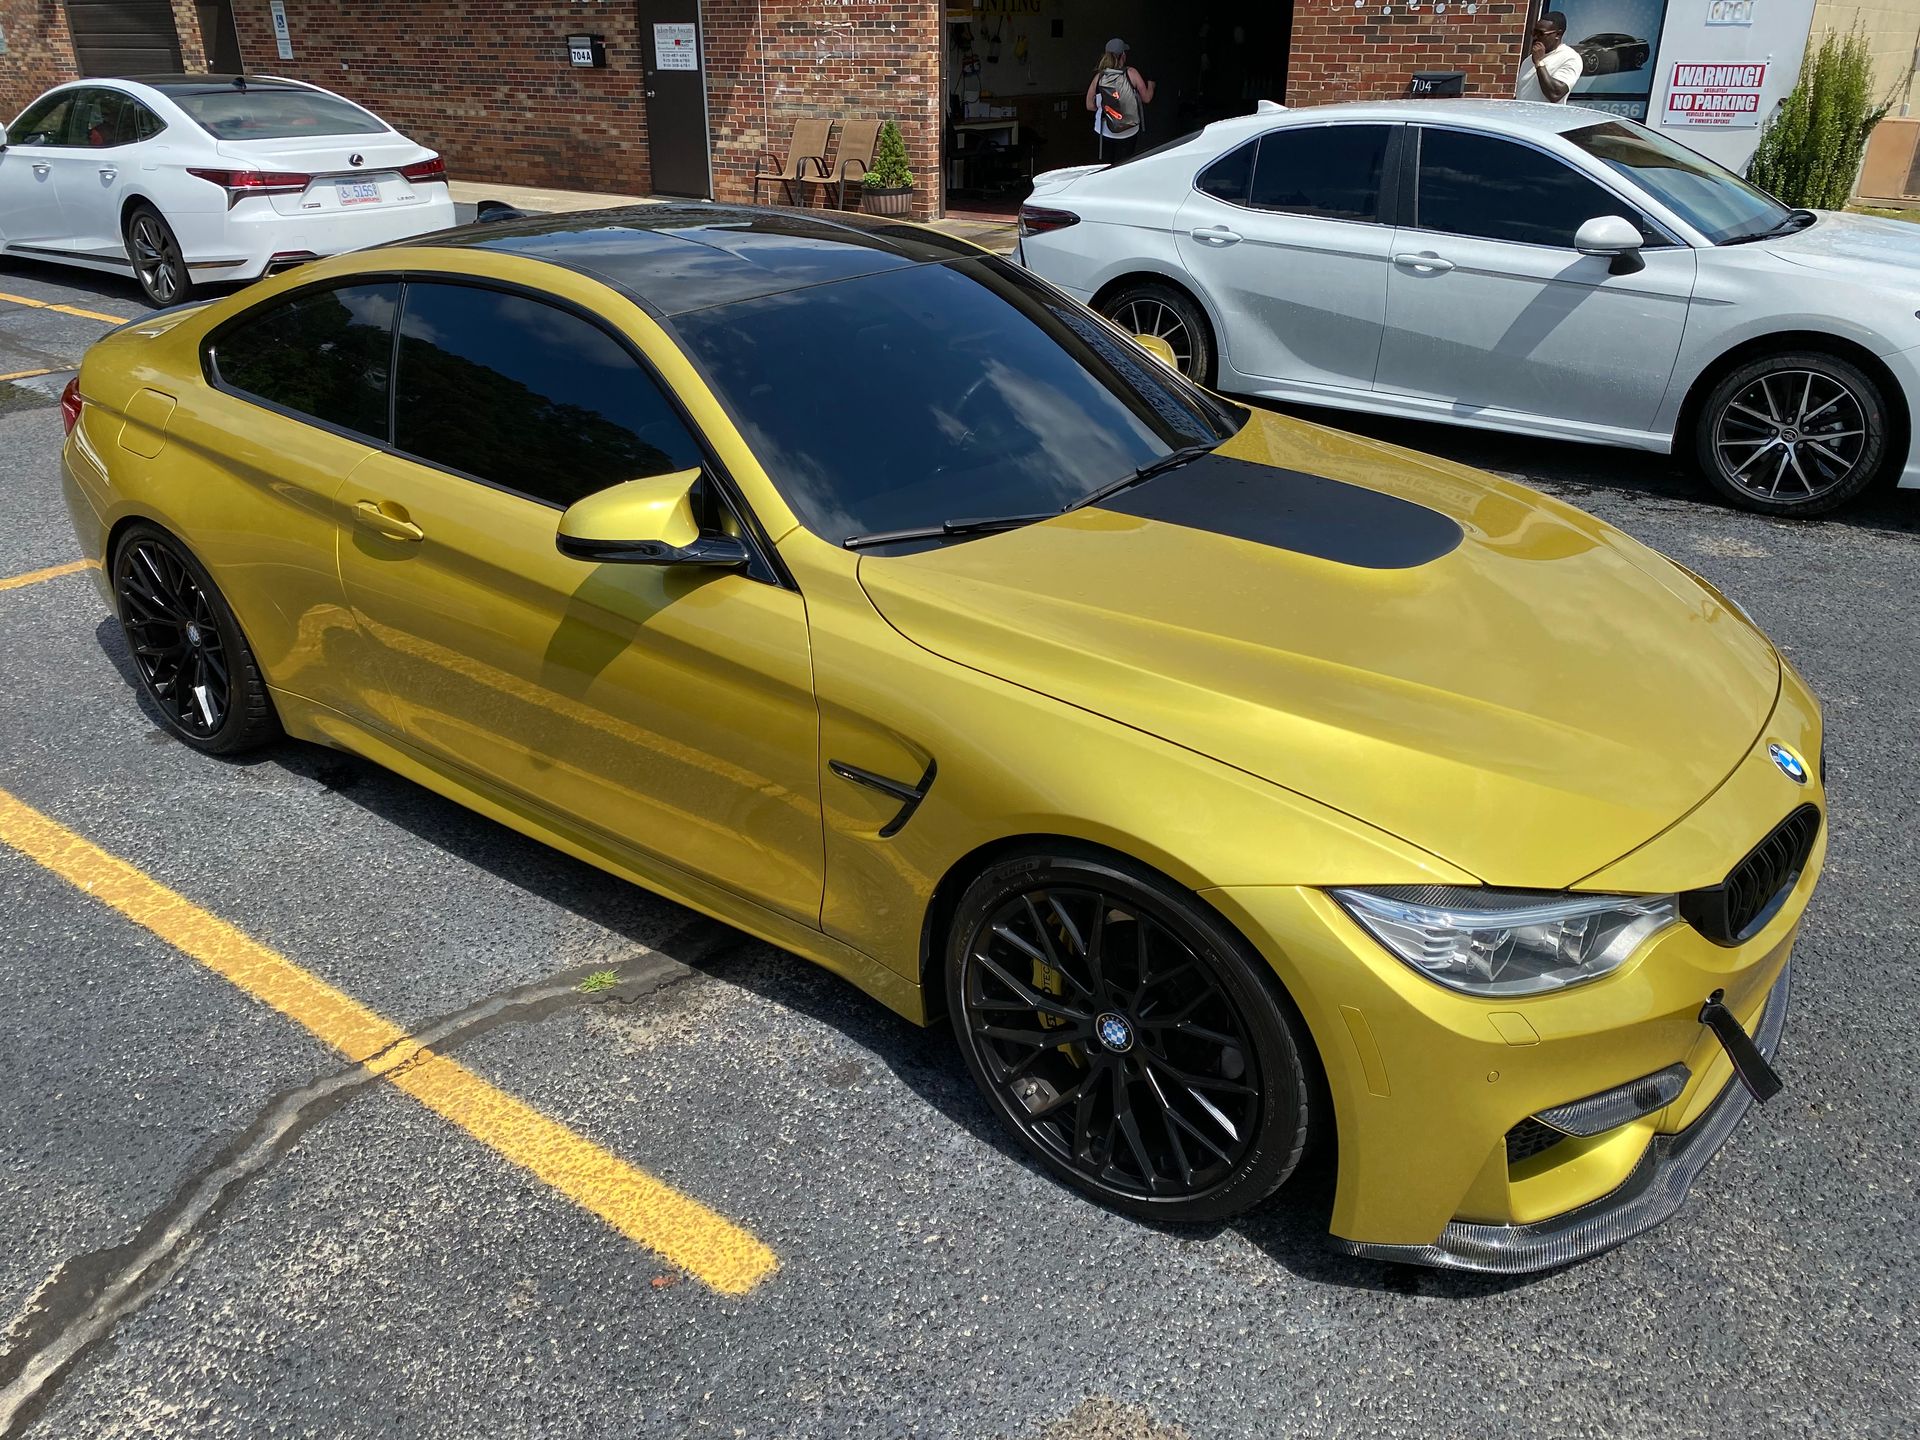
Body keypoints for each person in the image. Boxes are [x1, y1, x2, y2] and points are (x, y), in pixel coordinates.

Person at [1086, 40, 1154, 162]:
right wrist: (1151, 84)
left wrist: (1105, 108)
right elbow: (1147, 98)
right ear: (1123, 55)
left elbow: (1089, 106)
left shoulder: (1099, 77)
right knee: (1124, 165)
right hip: (1129, 131)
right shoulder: (1132, 73)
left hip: (1104, 131)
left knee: (1105, 167)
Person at [1514, 11, 1583, 103]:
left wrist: (1539, 63)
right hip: (1523, 116)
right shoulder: (1528, 60)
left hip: (1547, 116)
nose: (1535, 37)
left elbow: (1555, 94)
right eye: (1534, 32)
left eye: (1541, 34)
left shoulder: (1570, 58)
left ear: (1558, 35)